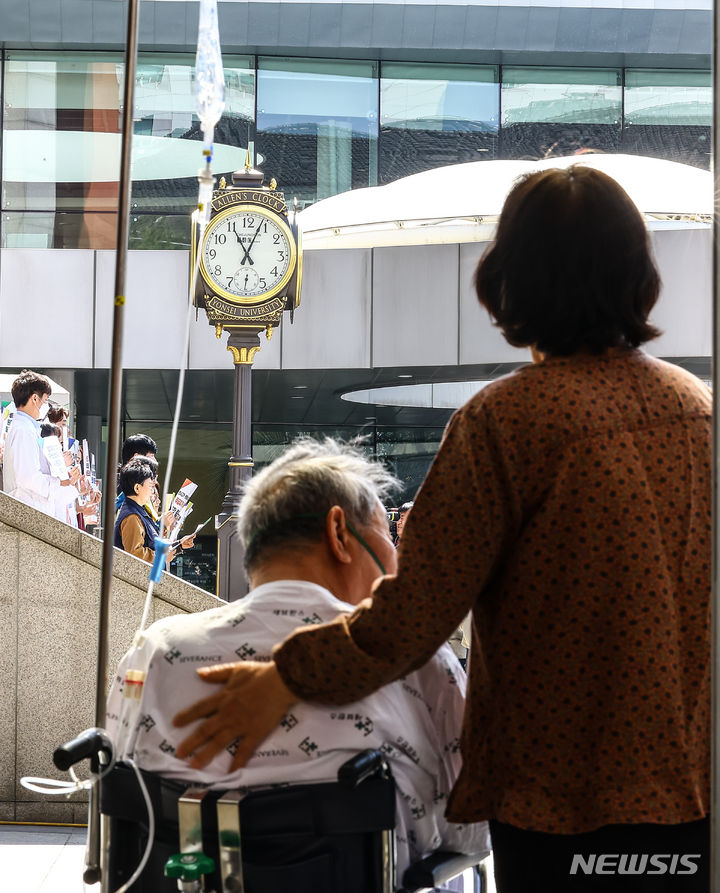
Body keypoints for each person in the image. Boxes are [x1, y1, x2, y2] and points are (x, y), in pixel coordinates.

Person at [173, 166, 711, 892]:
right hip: (696, 790)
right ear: (639, 275)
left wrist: (283, 677)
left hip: (563, 801)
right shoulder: (698, 411)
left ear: (505, 284)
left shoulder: (507, 423)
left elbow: (410, 618)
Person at [107, 439, 488, 882]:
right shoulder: (416, 660)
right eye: (386, 536)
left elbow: (121, 807)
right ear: (339, 532)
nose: (395, 558)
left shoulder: (154, 652)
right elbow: (471, 835)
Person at [2, 370, 81, 515]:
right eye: (45, 400)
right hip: (27, 510)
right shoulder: (23, 430)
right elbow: (28, 477)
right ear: (34, 399)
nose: (46, 405)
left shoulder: (26, 428)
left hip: (30, 508)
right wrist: (60, 481)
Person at [114, 459, 194, 564]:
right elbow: (135, 554)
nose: (152, 492)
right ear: (137, 488)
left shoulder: (138, 512)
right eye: (150, 487)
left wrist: (179, 544)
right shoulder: (132, 517)